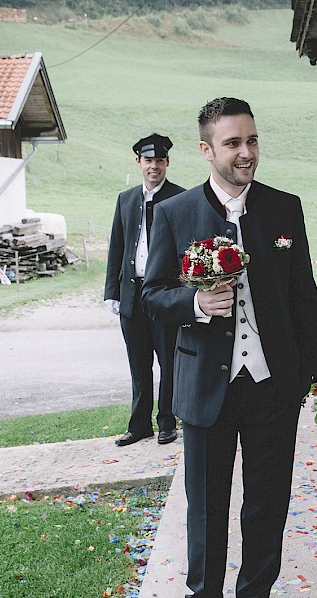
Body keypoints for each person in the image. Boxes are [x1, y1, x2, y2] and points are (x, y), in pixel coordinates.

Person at [142, 97, 317, 598]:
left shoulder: (284, 209)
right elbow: (151, 294)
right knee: (206, 505)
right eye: (233, 143)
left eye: (252, 140)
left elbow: (303, 296)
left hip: (272, 386)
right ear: (206, 150)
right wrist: (196, 305)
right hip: (204, 390)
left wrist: (303, 377)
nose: (246, 153)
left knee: (267, 501)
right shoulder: (174, 215)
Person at [104, 133, 186, 447]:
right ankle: (139, 425)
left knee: (168, 360)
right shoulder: (125, 199)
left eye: (160, 161)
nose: (154, 166)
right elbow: (117, 247)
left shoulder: (180, 198)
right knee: (138, 363)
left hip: (163, 294)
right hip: (131, 294)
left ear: (167, 163)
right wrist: (112, 291)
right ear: (139, 162)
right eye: (148, 161)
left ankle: (167, 422)